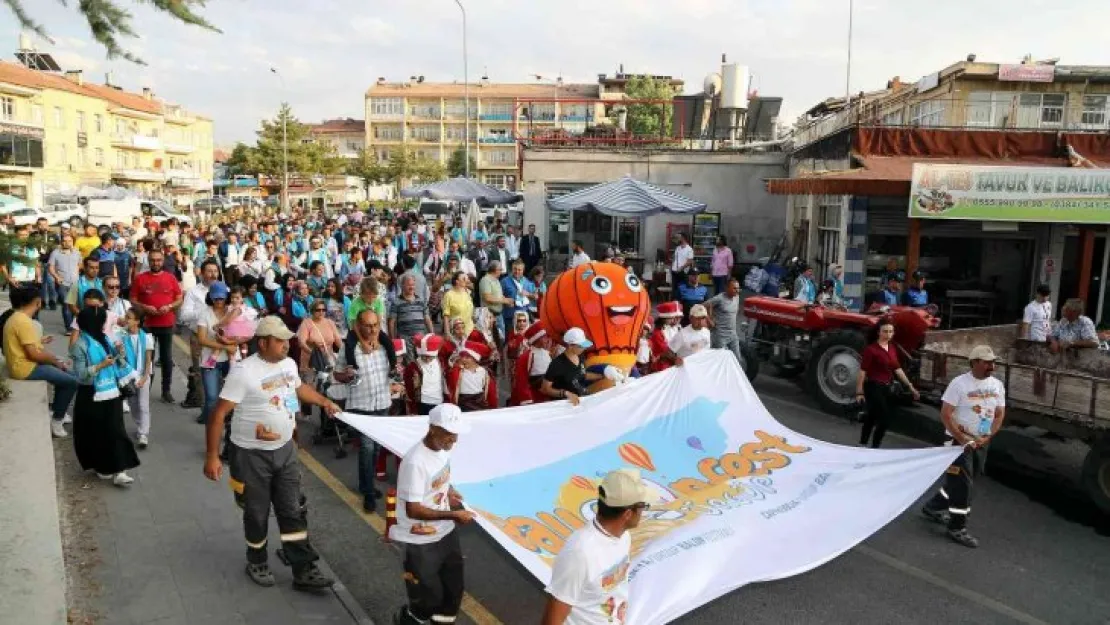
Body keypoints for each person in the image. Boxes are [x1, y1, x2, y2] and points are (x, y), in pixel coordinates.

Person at [203, 316, 339, 589]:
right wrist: (212, 456)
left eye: (287, 340)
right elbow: (218, 415)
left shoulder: (288, 365)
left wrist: (323, 401)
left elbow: (297, 389)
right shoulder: (244, 372)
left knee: (292, 509)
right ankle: (257, 560)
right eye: (280, 341)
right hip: (251, 456)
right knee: (256, 511)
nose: (287, 345)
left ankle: (302, 567)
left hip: (285, 451)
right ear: (263, 342)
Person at [391, 403, 475, 625]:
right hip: (420, 540)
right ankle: (406, 619)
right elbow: (414, 509)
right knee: (427, 599)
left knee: (453, 592)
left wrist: (450, 492)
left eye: (455, 434)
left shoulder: (443, 449)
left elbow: (438, 481)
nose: (454, 440)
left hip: (446, 535)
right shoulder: (415, 462)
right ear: (433, 429)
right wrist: (454, 515)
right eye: (449, 433)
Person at [921, 345, 1006, 548]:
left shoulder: (997, 385)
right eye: (987, 362)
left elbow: (999, 414)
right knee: (964, 486)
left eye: (993, 362)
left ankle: (934, 506)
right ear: (974, 362)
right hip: (958, 444)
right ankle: (957, 527)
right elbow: (946, 414)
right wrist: (961, 438)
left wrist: (987, 436)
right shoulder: (959, 384)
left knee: (963, 481)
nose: (991, 366)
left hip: (981, 441)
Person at [542, 468, 649, 625]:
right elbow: (554, 617)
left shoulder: (623, 537)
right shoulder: (580, 553)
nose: (643, 511)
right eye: (642, 506)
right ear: (627, 514)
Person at [69, 306, 140, 487]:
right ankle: (101, 466)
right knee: (96, 433)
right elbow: (81, 375)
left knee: (115, 429)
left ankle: (120, 470)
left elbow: (117, 361)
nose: (103, 324)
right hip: (91, 394)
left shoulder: (105, 339)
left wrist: (120, 352)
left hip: (111, 391)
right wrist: (100, 366)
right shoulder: (79, 346)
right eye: (100, 321)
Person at [342, 310, 402, 512]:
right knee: (367, 447)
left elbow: (392, 371)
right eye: (368, 325)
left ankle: (365, 483)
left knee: (376, 448)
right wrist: (347, 375)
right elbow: (337, 372)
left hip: (382, 403)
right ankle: (368, 491)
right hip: (362, 404)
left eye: (375, 324)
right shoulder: (350, 347)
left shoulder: (385, 346)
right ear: (358, 326)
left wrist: (396, 381)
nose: (373, 329)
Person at [3, 285, 78, 437]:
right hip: (25, 368)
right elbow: (34, 355)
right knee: (71, 382)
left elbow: (29, 346)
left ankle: (56, 410)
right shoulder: (23, 321)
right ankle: (57, 419)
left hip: (24, 364)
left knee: (70, 375)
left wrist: (43, 344)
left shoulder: (17, 317)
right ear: (38, 302)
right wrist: (55, 361)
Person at [854, 320, 920, 448]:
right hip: (873, 386)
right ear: (878, 332)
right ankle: (875, 447)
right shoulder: (871, 350)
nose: (888, 334)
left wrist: (910, 387)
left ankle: (862, 443)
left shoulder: (892, 348)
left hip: (887, 387)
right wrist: (859, 392)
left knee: (872, 416)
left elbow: (897, 369)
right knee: (884, 420)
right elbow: (862, 372)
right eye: (885, 331)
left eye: (890, 331)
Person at [130, 249, 183, 404]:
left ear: (163, 261)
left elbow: (179, 298)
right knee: (148, 359)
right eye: (153, 260)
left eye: (159, 260)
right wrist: (145, 307)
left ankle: (166, 390)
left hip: (166, 324)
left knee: (167, 359)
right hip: (147, 325)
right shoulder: (140, 279)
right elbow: (132, 299)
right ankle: (145, 388)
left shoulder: (171, 278)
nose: (156, 263)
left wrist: (171, 306)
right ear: (148, 260)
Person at [179, 259, 223, 410]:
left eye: (215, 271)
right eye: (209, 271)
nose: (213, 274)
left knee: (220, 371)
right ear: (202, 273)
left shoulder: (225, 290)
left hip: (220, 338)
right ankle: (204, 407)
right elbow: (184, 316)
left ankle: (218, 407)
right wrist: (206, 310)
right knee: (200, 371)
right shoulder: (194, 292)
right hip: (199, 337)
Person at [541, 328, 618, 405]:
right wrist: (566, 393)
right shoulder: (557, 364)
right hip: (564, 405)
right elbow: (545, 389)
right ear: (570, 346)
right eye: (581, 346)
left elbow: (582, 374)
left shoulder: (580, 356)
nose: (584, 348)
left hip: (581, 401)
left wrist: (604, 376)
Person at [120, 307, 154, 449]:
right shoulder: (121, 336)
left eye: (129, 317)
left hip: (142, 375)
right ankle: (141, 425)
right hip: (128, 375)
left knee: (143, 404)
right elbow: (120, 358)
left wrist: (145, 377)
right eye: (126, 317)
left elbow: (148, 359)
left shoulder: (146, 337)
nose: (126, 319)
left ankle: (143, 433)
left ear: (137, 322)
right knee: (133, 404)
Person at [508, 321, 553, 407]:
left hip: (547, 395)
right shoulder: (526, 356)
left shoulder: (547, 353)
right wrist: (527, 400)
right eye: (544, 337)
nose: (547, 340)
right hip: (534, 397)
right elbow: (521, 380)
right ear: (536, 339)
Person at [297, 298, 342, 379]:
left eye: (323, 309)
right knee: (312, 388)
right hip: (311, 363)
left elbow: (338, 340)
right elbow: (301, 343)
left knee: (327, 387)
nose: (321, 312)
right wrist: (314, 354)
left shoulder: (330, 322)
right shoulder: (306, 323)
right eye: (318, 310)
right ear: (312, 310)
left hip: (327, 361)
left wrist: (344, 352)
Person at [445, 342, 497, 411]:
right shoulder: (458, 371)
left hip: (479, 401)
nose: (463, 359)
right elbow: (450, 369)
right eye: (462, 357)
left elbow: (490, 391)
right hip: (463, 401)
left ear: (475, 359)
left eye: (467, 357)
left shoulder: (483, 371)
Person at [703, 277, 744, 366]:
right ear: (727, 288)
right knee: (723, 362)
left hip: (733, 334)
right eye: (734, 288)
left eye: (738, 288)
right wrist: (709, 319)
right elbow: (703, 306)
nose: (737, 291)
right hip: (720, 336)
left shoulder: (737, 297)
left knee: (738, 361)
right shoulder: (719, 298)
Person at [403, 334, 445, 415]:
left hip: (439, 400)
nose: (427, 359)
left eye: (430, 356)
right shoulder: (412, 367)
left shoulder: (441, 362)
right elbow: (409, 389)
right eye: (424, 356)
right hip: (422, 402)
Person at [389, 274, 434, 348]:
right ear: (402, 286)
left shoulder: (421, 301)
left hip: (421, 339)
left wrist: (432, 334)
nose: (411, 287)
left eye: (413, 285)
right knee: (409, 360)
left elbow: (427, 319)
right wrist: (393, 340)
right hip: (405, 340)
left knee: (421, 359)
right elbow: (391, 322)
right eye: (408, 285)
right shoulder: (396, 302)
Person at [48, 233, 82, 329]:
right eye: (64, 241)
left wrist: (77, 273)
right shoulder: (55, 253)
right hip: (62, 283)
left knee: (75, 305)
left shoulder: (77, 252)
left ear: (73, 242)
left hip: (75, 283)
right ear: (61, 242)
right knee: (66, 305)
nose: (67, 243)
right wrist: (56, 277)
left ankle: (75, 324)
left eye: (69, 241)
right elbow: (51, 267)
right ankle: (69, 327)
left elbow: (80, 265)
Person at [66, 256, 104, 330]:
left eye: (97, 267)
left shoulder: (102, 283)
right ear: (85, 268)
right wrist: (83, 316)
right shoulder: (77, 284)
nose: (95, 270)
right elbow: (71, 304)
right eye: (92, 267)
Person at [478, 261, 513, 341]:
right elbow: (488, 298)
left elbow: (499, 295)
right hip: (489, 315)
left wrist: (507, 301)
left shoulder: (496, 280)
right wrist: (504, 301)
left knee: (501, 339)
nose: (501, 271)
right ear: (495, 269)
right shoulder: (485, 280)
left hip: (499, 315)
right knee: (492, 340)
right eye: (500, 269)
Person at [649, 302, 684, 373]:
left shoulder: (678, 328)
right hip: (663, 365)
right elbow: (664, 351)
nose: (675, 320)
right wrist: (675, 359)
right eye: (672, 318)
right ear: (664, 318)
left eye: (679, 317)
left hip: (675, 361)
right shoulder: (658, 333)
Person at [440, 272, 475, 337]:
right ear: (457, 282)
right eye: (464, 279)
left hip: (470, 330)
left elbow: (471, 313)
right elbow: (446, 316)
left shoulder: (467, 293)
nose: (467, 281)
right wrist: (447, 333)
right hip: (457, 332)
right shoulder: (449, 295)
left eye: (467, 279)